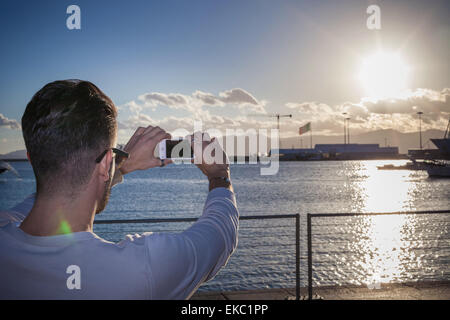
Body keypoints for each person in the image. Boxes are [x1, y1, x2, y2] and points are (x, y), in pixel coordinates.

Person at [0, 80, 239, 299]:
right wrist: (220, 176)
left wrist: (119, 166)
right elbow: (219, 236)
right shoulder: (143, 271)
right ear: (106, 162)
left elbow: (41, 201)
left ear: (31, 159)